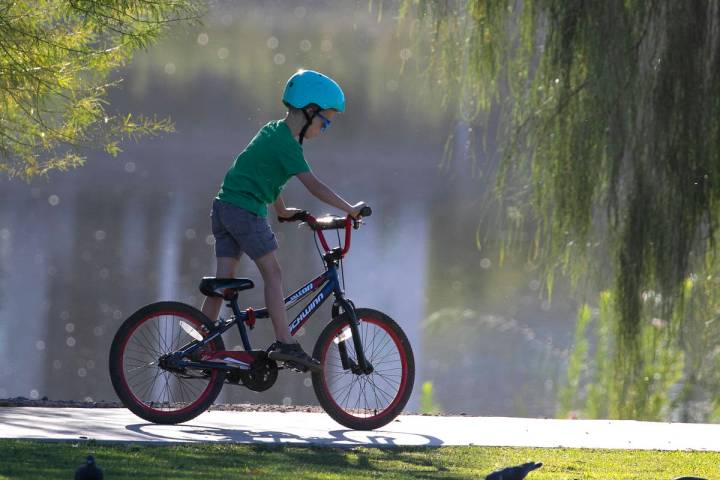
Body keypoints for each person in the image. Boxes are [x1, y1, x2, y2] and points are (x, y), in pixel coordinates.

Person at [201, 69, 365, 372]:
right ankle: (285, 341)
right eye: (325, 122)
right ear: (309, 110)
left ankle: (202, 342)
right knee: (273, 273)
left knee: (223, 283)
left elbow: (266, 174)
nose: (324, 129)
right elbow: (314, 185)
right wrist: (349, 208)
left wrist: (282, 210)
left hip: (225, 206)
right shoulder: (288, 145)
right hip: (245, 211)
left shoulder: (273, 132)